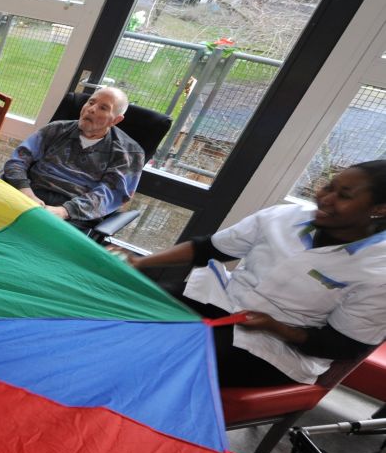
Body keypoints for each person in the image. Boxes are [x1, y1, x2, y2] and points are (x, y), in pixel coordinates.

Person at [129, 161, 386, 386]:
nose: (325, 198)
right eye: (329, 186)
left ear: (379, 209)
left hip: (277, 348)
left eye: (344, 196)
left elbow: (344, 345)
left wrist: (276, 327)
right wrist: (141, 262)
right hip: (223, 302)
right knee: (126, 306)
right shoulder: (285, 217)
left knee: (170, 357)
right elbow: (208, 248)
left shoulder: (378, 270)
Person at [0, 87, 143, 229]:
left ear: (116, 120)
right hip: (29, 192)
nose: (91, 109)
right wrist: (25, 191)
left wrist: (65, 211)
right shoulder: (56, 129)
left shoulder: (129, 152)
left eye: (103, 108)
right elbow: (17, 161)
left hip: (75, 212)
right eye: (91, 102)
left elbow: (112, 194)